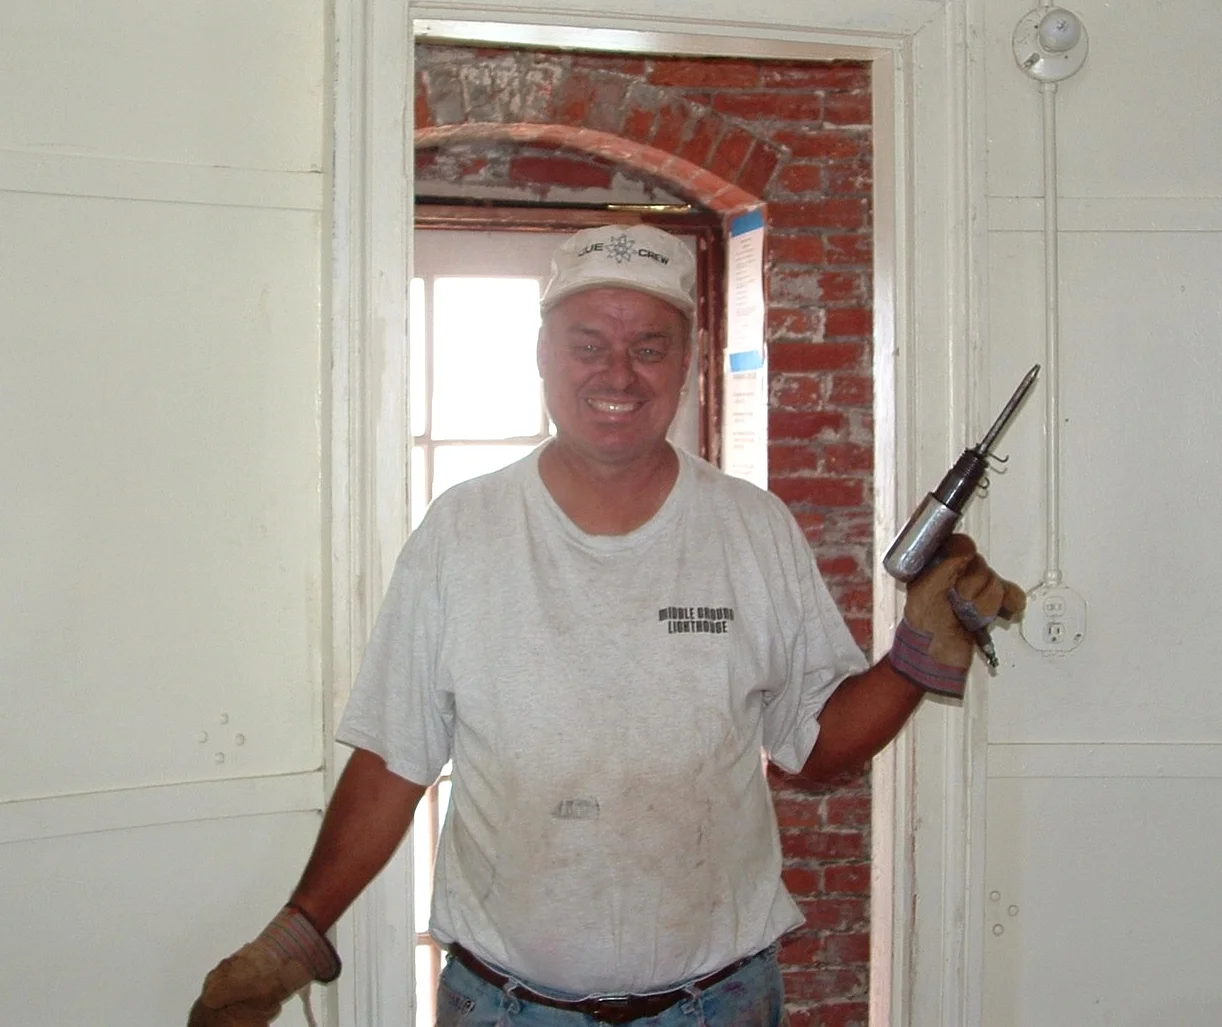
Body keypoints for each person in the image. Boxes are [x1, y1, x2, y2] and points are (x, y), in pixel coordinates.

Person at [189, 223, 1024, 1027]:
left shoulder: (750, 528)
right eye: (588, 343)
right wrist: (297, 934)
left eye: (650, 346)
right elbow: (393, 757)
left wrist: (917, 657)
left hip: (718, 1004)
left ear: (689, 362)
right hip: (504, 1007)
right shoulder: (462, 531)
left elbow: (815, 743)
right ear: (544, 356)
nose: (618, 373)